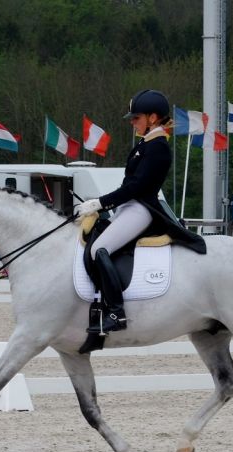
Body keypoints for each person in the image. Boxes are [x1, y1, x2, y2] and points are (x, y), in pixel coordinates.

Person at [76, 89, 206, 336]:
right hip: (129, 206)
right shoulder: (145, 144)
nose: (133, 122)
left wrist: (100, 203)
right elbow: (128, 185)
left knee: (99, 249)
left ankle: (115, 312)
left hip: (141, 208)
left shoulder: (158, 147)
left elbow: (137, 187)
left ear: (153, 118)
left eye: (136, 118)